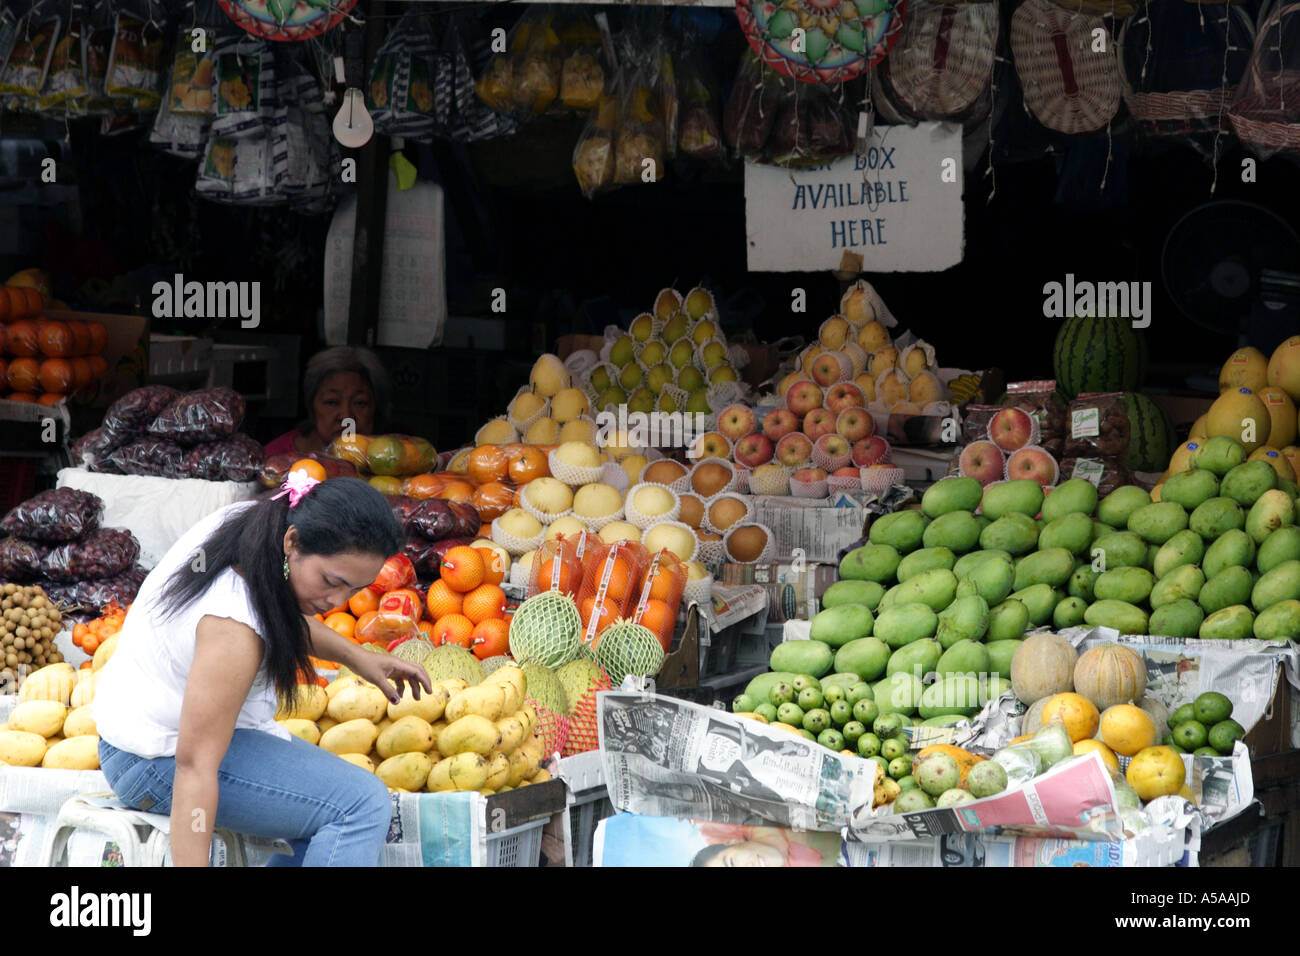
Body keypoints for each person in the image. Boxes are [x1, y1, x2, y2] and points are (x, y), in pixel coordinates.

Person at [92, 474, 431, 867]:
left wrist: (358, 657)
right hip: (153, 761)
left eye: (355, 591)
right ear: (293, 543)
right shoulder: (233, 632)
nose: (337, 601)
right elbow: (194, 766)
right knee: (359, 805)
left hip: (157, 742)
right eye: (331, 582)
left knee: (342, 803)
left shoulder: (254, 525)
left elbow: (273, 611)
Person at [263, 346, 392, 458]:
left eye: (360, 403)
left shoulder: (392, 461)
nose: (346, 417)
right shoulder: (275, 458)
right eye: (332, 402)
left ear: (375, 407)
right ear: (312, 406)